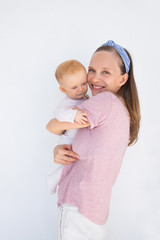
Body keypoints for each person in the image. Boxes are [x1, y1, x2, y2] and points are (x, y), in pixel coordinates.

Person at [46, 40, 140, 240]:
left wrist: (59, 130)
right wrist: (61, 150)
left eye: (106, 72)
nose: (95, 79)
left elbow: (53, 125)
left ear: (123, 79)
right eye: (91, 70)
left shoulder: (104, 101)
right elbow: (77, 138)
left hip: (78, 206)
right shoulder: (120, 108)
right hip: (92, 209)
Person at [47, 60, 89, 194]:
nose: (81, 89)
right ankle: (53, 180)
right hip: (68, 140)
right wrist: (73, 115)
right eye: (74, 87)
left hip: (76, 138)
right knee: (71, 163)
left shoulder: (84, 97)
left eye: (84, 83)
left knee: (75, 164)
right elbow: (58, 113)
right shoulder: (67, 102)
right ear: (63, 89)